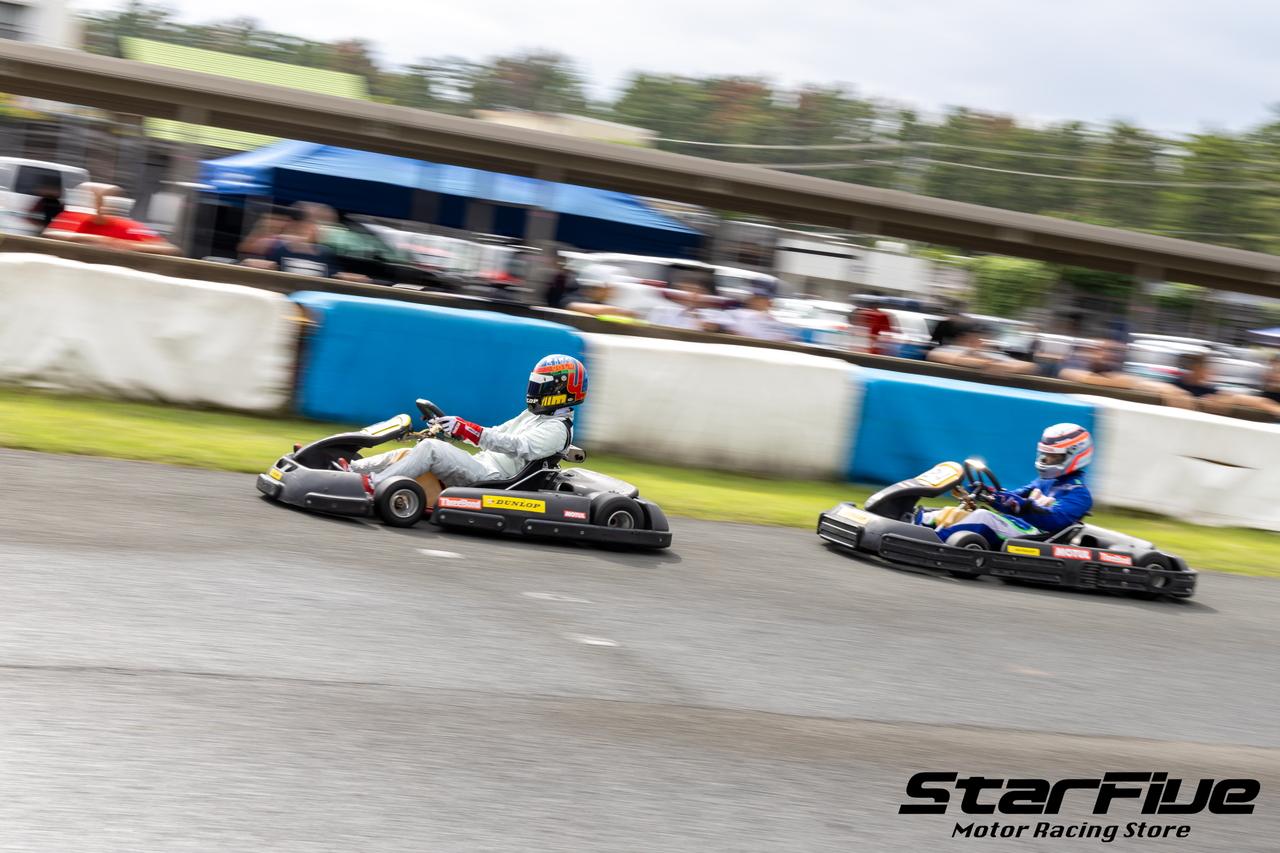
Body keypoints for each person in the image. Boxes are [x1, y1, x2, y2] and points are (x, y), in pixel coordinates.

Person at [346, 355, 587, 505]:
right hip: (482, 463)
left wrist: (469, 430)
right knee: (412, 452)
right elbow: (496, 433)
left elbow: (517, 446)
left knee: (430, 449)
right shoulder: (533, 415)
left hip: (496, 480)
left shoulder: (557, 429)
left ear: (559, 390)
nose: (534, 390)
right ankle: (353, 470)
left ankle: (374, 485)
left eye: (541, 385)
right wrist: (457, 431)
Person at [919, 423, 1094, 548]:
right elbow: (1014, 496)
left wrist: (1021, 506)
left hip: (1036, 536)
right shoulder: (1044, 481)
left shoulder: (1079, 494)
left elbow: (1054, 520)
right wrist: (990, 493)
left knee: (983, 517)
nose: (1046, 461)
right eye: (1045, 455)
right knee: (958, 512)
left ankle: (934, 542)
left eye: (1053, 457)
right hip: (1016, 526)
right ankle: (917, 524)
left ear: (1075, 455)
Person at [44, 184, 180, 255]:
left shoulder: (128, 226)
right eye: (94, 199)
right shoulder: (73, 218)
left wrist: (127, 246)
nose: (98, 206)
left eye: (101, 200)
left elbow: (170, 249)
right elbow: (49, 235)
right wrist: (96, 239)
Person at [926, 322, 1036, 375]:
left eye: (980, 336)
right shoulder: (948, 349)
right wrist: (984, 363)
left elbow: (1029, 366)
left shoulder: (992, 353)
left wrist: (1007, 367)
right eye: (973, 336)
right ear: (961, 337)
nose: (978, 340)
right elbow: (936, 356)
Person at [721, 285, 795, 342]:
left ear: (770, 303)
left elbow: (783, 340)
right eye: (754, 296)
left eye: (759, 298)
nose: (753, 300)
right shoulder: (735, 314)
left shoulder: (776, 324)